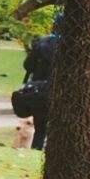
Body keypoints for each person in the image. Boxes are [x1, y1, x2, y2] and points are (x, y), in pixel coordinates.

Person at [23, 13, 64, 150]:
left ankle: (36, 151)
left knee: (40, 128)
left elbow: (27, 65)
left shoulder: (41, 43)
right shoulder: (69, 46)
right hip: (60, 90)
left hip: (38, 90)